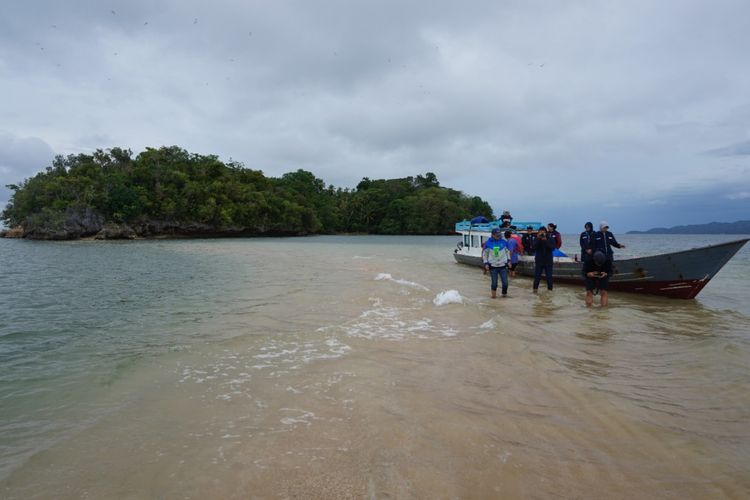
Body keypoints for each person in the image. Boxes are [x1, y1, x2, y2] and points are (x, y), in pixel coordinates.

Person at [482, 228, 510, 298]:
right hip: (493, 266)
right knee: (494, 283)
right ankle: (493, 298)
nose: (498, 236)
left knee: (505, 283)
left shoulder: (504, 242)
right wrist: (486, 263)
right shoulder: (488, 243)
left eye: (499, 235)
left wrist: (509, 261)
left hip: (503, 266)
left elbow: (507, 252)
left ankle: (504, 296)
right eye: (496, 235)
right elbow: (485, 254)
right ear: (492, 235)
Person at [533, 226, 556, 292]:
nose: (542, 233)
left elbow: (553, 248)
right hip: (539, 261)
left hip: (548, 261)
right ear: (539, 232)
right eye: (541, 232)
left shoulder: (550, 238)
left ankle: (550, 291)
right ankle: (535, 291)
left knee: (549, 277)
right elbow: (533, 247)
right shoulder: (536, 238)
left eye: (544, 232)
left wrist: (546, 241)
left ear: (546, 232)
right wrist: (538, 239)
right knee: (537, 277)